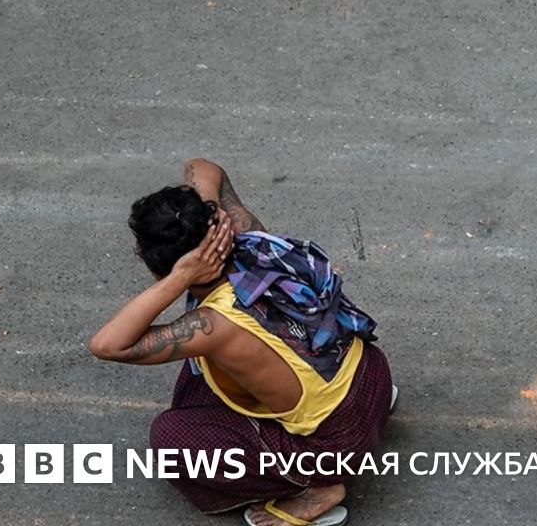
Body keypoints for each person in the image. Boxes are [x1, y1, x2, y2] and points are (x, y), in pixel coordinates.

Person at [89, 158, 394, 526]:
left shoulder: (212, 326)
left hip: (339, 445)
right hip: (372, 375)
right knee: (202, 374)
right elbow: (202, 167)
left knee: (171, 438)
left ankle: (318, 489)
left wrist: (179, 279)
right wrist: (210, 214)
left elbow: (108, 345)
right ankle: (368, 416)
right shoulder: (249, 237)